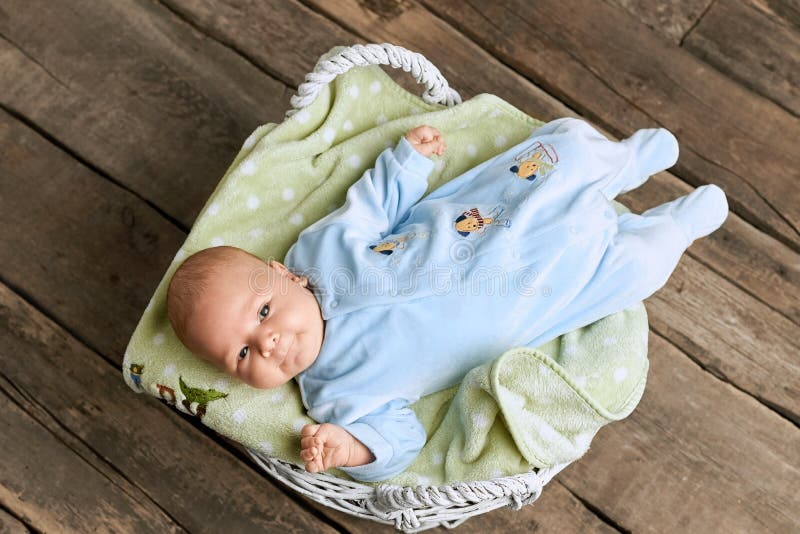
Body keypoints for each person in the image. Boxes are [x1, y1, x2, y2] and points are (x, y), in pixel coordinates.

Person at [166, 118, 729, 481]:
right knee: (633, 269)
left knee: (564, 156)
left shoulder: (318, 252)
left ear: (282, 274)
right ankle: (677, 226)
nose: (266, 343)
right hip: (537, 293)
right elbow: (403, 442)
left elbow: (371, 206)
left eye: (261, 314)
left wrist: (406, 163)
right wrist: (350, 449)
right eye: (241, 357)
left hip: (488, 218)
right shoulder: (336, 396)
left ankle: (626, 160)